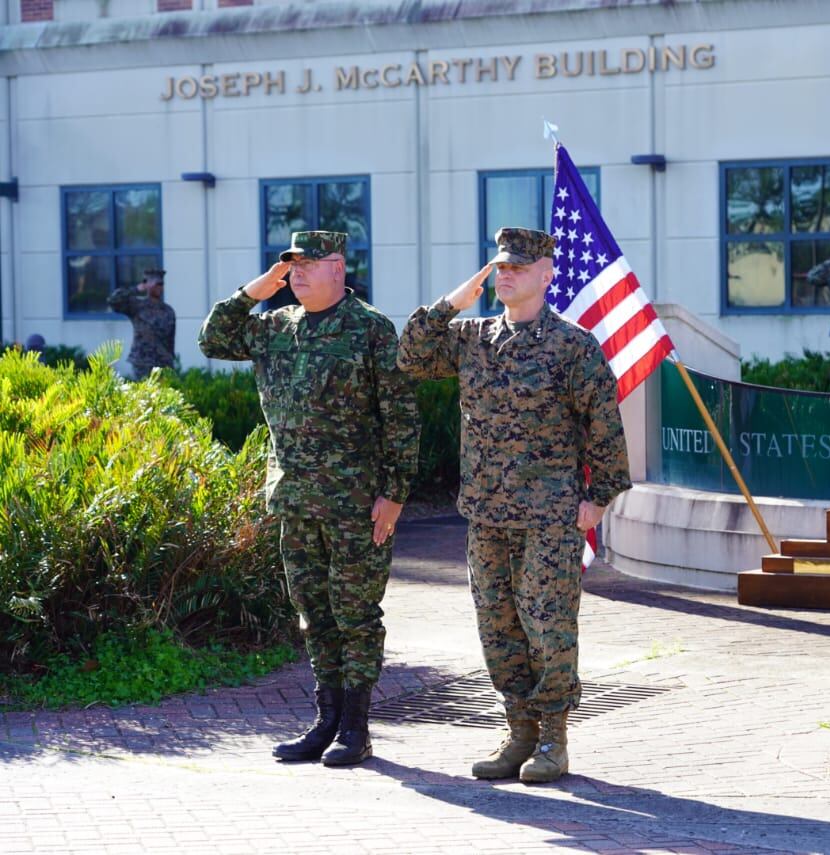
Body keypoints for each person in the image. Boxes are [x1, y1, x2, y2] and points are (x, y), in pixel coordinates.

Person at [396, 227, 631, 784]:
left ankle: (553, 739)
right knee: (498, 628)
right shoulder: (472, 337)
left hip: (549, 516)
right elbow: (409, 357)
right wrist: (452, 303)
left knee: (548, 626)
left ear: (546, 275)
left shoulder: (572, 346)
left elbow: (604, 425)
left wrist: (598, 499)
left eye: (518, 267)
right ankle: (519, 732)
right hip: (486, 514)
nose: (506, 274)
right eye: (500, 266)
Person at [197, 231, 419, 767]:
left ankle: (356, 728)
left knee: (355, 614)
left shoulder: (370, 328)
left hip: (354, 503)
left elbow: (401, 416)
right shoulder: (274, 326)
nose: (297, 273)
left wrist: (394, 494)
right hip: (295, 499)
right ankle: (325, 721)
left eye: (309, 264)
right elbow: (213, 338)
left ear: (338, 267)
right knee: (313, 615)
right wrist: (257, 289)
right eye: (291, 265)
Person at [108, 268, 176, 377]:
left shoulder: (168, 310)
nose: (159, 287)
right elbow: (113, 301)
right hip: (142, 362)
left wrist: (170, 362)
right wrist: (136, 289)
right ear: (146, 284)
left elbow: (170, 341)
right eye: (156, 284)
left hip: (163, 363)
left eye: (161, 284)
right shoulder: (137, 305)